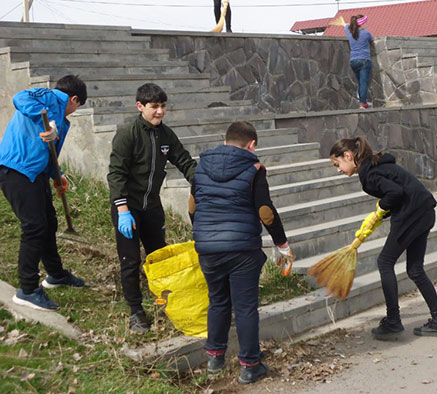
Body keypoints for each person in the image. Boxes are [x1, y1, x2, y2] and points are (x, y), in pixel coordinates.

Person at [192, 121, 293, 384]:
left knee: (218, 300)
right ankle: (250, 365)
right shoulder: (253, 169)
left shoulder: (201, 166)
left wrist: (206, 235)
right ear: (252, 145)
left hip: (208, 248)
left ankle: (215, 357)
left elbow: (193, 207)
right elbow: (265, 212)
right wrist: (282, 245)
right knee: (245, 307)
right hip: (242, 249)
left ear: (225, 141)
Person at [330, 137, 437, 340]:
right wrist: (380, 213)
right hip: (424, 211)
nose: (338, 170)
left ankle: (393, 321)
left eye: (338, 164)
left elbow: (394, 193)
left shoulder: (369, 174)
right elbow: (395, 193)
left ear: (348, 156)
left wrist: (380, 211)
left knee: (385, 262)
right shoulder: (376, 165)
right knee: (414, 269)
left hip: (412, 215)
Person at [107, 83, 197, 333]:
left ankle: (164, 301)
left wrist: (204, 183)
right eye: (154, 107)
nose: (159, 112)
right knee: (130, 260)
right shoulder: (128, 133)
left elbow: (185, 162)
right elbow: (115, 174)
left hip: (152, 207)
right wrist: (122, 210)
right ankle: (136, 311)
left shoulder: (166, 135)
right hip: (128, 208)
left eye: (163, 106)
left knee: (158, 256)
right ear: (140, 106)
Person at [0, 75, 88, 311]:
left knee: (49, 222)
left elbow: (50, 153)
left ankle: (56, 275)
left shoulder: (63, 123)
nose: (73, 112)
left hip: (36, 173)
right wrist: (46, 122)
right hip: (16, 169)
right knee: (34, 226)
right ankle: (27, 290)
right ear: (74, 99)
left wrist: (57, 177)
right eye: (76, 108)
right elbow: (20, 97)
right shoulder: (50, 97)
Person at [344, 14, 374, 109]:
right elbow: (372, 39)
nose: (366, 24)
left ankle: (362, 101)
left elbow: (346, 26)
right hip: (364, 60)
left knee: (360, 82)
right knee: (363, 82)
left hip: (353, 61)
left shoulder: (350, 33)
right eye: (365, 22)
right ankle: (363, 103)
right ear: (362, 24)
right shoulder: (366, 33)